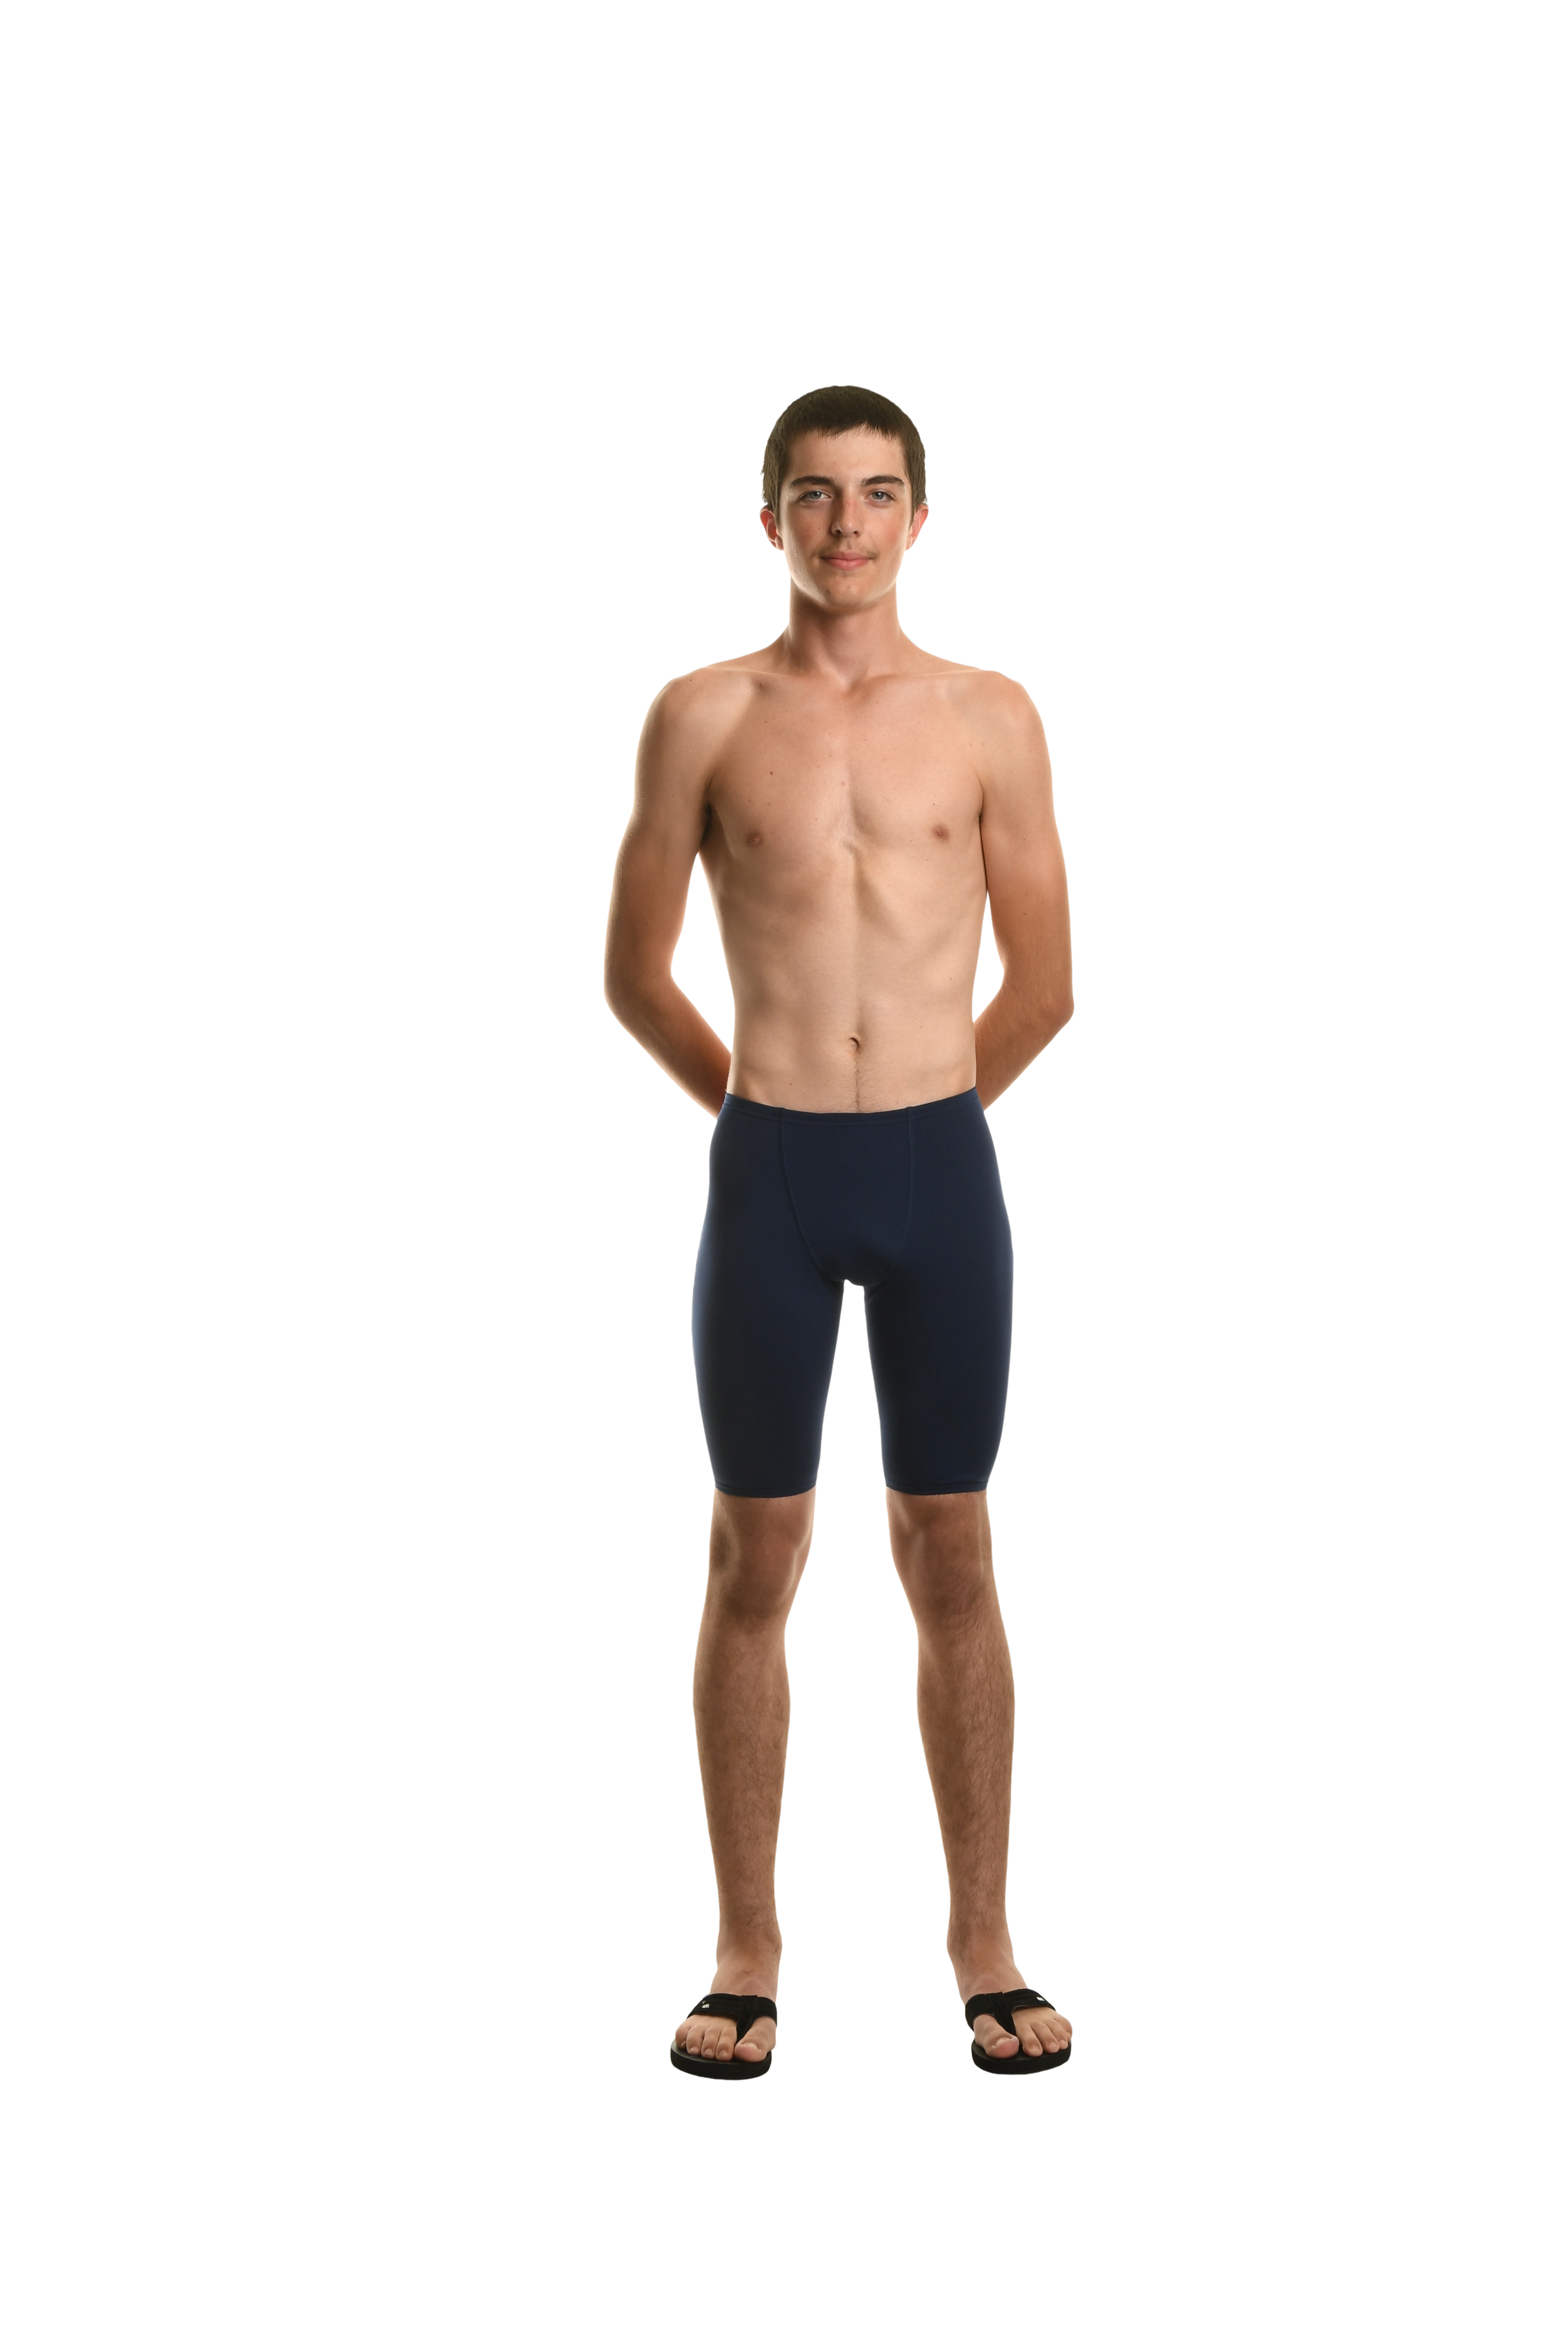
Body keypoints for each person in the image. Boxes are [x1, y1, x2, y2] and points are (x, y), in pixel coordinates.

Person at [604, 385, 1075, 2079]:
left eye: (878, 494)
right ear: (772, 519)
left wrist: (923, 1119)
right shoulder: (701, 716)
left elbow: (1049, 983)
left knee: (954, 1551)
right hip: (771, 1178)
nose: (847, 523)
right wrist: (767, 1114)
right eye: (816, 495)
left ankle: (986, 1951)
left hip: (941, 1166)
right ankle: (744, 1954)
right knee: (756, 1558)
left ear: (918, 518)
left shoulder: (991, 716)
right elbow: (632, 973)